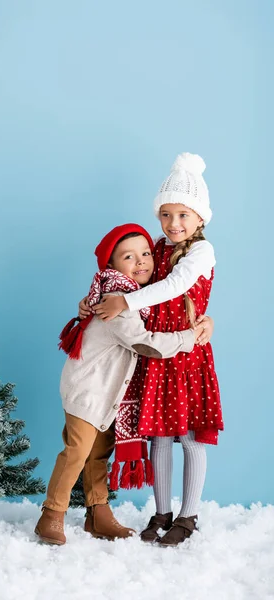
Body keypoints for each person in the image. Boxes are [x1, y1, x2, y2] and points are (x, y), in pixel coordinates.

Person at [79, 153, 223, 546]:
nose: (173, 224)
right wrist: (97, 299)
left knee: (191, 438)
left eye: (183, 215)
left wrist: (126, 304)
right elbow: (132, 279)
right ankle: (161, 512)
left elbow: (175, 287)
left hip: (187, 354)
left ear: (199, 218)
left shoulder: (200, 253)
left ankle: (188, 515)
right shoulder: (156, 247)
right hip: (157, 354)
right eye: (165, 215)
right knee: (159, 436)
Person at [35, 223, 203, 546]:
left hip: (107, 395)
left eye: (145, 254)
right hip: (88, 393)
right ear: (111, 267)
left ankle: (97, 515)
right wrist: (187, 338)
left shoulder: (130, 294)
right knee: (77, 452)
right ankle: (51, 514)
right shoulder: (117, 301)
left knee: (99, 454)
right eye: (129, 257)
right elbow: (145, 343)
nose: (140, 261)